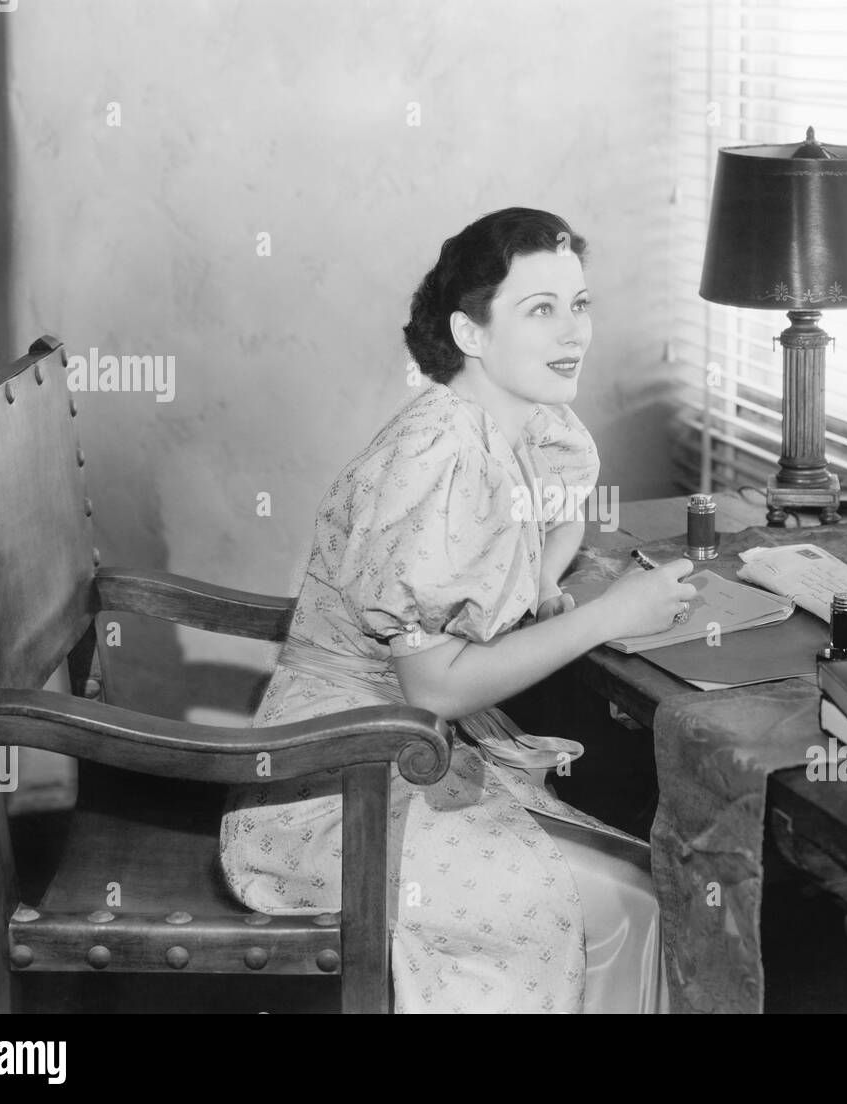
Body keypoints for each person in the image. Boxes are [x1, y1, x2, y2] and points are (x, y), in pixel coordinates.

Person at [220, 207, 698, 1013]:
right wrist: (607, 615)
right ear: (470, 334)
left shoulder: (505, 420)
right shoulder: (435, 459)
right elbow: (433, 690)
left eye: (578, 304)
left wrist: (536, 580)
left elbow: (559, 507)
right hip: (337, 776)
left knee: (638, 886)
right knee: (625, 903)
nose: (572, 331)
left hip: (407, 747)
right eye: (538, 310)